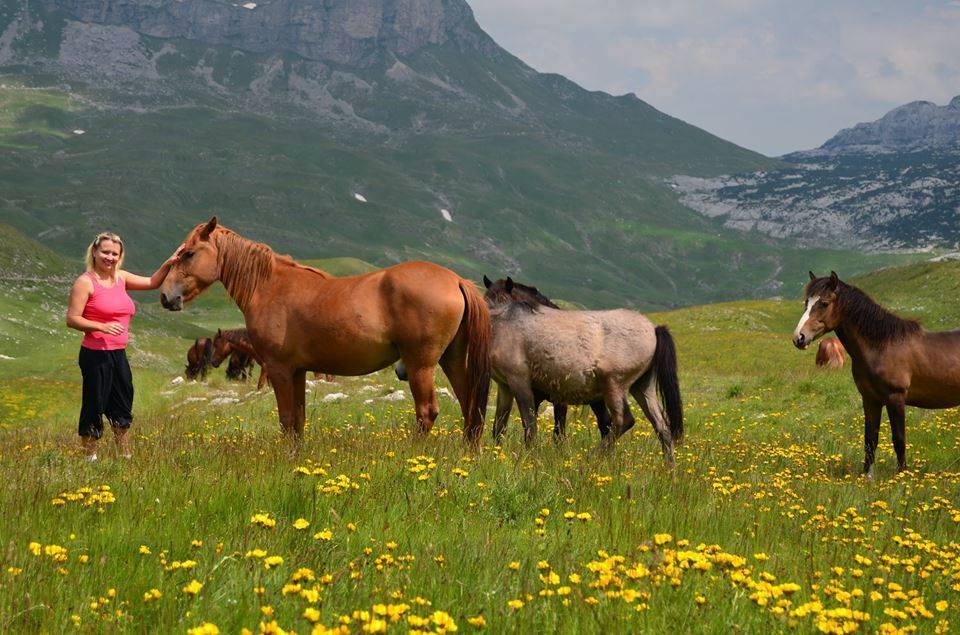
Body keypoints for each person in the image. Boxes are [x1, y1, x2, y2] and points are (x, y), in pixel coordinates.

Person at [66, 232, 183, 461]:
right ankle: (89, 457)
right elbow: (72, 319)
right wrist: (101, 326)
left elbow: (152, 282)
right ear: (94, 252)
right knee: (94, 404)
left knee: (122, 401)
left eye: (114, 253)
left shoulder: (121, 278)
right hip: (95, 355)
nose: (110, 257)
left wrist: (169, 262)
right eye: (105, 252)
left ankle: (124, 453)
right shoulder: (85, 282)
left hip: (118, 354)